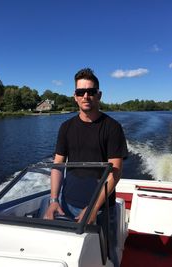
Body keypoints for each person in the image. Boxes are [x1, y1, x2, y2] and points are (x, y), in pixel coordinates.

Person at [44, 68, 128, 266]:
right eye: (81, 92)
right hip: (67, 205)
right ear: (75, 96)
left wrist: (92, 208)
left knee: (105, 257)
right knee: (68, 255)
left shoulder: (112, 127)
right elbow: (58, 165)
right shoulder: (66, 127)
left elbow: (115, 172)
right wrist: (54, 200)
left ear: (99, 94)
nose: (86, 96)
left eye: (91, 91)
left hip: (100, 210)